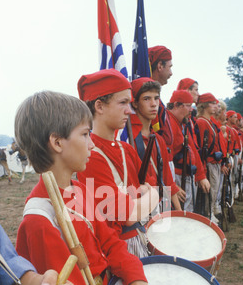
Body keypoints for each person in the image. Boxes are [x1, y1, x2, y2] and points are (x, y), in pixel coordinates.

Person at [15, 90, 183, 285]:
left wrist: (135, 277)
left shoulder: (78, 190)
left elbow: (110, 242)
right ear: (57, 143)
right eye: (84, 135)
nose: (92, 144)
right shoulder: (40, 220)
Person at [77, 69, 160, 258]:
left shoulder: (126, 149)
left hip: (139, 237)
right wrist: (151, 196)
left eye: (129, 103)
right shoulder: (90, 156)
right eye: (122, 103)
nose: (129, 110)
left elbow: (150, 182)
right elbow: (128, 215)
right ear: (99, 106)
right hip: (115, 251)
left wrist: (144, 197)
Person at [130, 77, 182, 211]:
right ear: (135, 103)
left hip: (160, 203)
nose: (154, 104)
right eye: (146, 99)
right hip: (139, 205)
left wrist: (179, 211)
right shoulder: (128, 140)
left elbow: (167, 180)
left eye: (156, 98)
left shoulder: (158, 140)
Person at [167, 90, 210, 212]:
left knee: (186, 213)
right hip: (175, 177)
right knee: (176, 215)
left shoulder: (181, 124)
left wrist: (201, 176)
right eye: (188, 105)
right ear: (176, 105)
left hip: (185, 175)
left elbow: (193, 150)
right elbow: (164, 161)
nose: (191, 109)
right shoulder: (169, 124)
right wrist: (173, 186)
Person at [195, 93, 226, 223]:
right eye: (213, 103)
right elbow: (201, 147)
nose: (216, 106)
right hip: (209, 162)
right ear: (205, 105)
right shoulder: (202, 122)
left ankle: (211, 212)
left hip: (214, 161)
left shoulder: (209, 122)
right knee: (210, 190)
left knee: (214, 189)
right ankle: (208, 215)